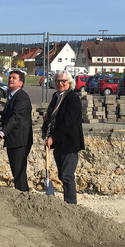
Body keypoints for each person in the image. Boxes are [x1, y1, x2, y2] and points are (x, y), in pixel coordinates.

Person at [42, 70, 85, 204]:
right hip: (59, 143)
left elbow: (68, 122)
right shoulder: (56, 97)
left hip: (69, 142)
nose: (60, 83)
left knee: (67, 176)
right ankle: (67, 203)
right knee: (62, 175)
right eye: (58, 81)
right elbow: (51, 117)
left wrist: (53, 137)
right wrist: (47, 133)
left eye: (63, 81)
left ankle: (71, 204)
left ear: (69, 83)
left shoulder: (72, 98)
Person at [0, 70, 33, 192]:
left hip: (20, 140)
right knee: (15, 169)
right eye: (10, 77)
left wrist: (3, 132)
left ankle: (23, 196)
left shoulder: (22, 97)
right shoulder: (12, 96)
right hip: (13, 139)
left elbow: (16, 117)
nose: (10, 80)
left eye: (14, 78)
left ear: (21, 83)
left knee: (19, 171)